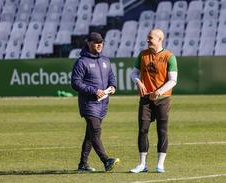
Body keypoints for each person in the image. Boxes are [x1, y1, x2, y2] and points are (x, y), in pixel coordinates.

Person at [130, 28, 178, 173]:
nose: (147, 40)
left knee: (162, 131)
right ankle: (142, 164)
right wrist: (138, 81)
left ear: (159, 39)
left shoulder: (169, 56)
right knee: (143, 130)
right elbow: (134, 72)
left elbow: (173, 80)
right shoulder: (142, 55)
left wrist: (159, 92)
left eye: (150, 38)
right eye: (147, 37)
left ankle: (160, 164)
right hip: (145, 99)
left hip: (162, 99)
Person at [71, 32, 120, 172]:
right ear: (89, 43)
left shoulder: (105, 60)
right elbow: (75, 83)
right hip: (89, 104)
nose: (99, 45)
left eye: (101, 42)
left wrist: (113, 86)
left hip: (103, 103)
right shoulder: (81, 62)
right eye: (96, 42)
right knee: (95, 131)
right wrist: (94, 90)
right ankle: (106, 160)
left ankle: (82, 165)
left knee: (91, 134)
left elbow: (111, 76)